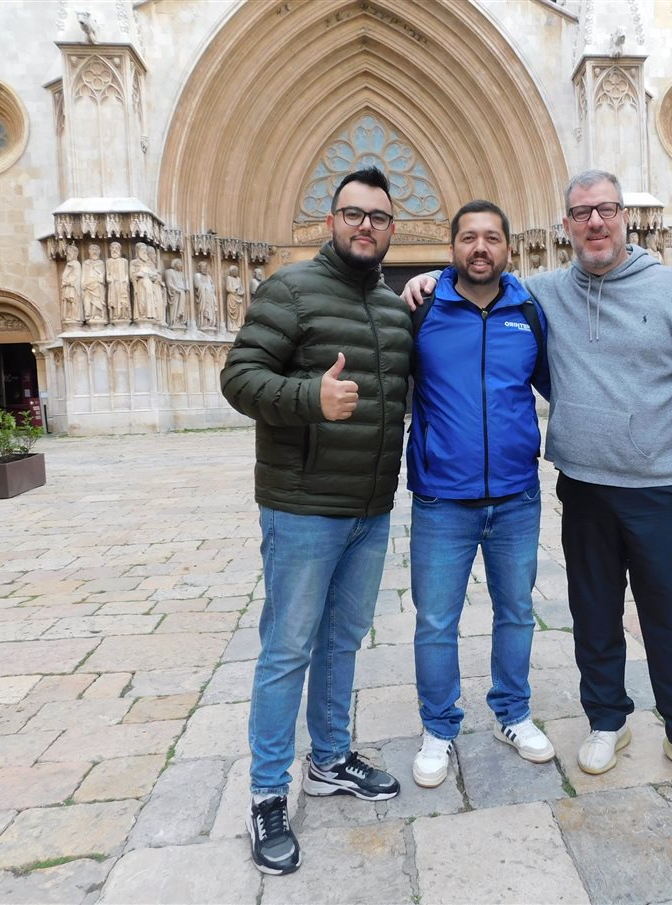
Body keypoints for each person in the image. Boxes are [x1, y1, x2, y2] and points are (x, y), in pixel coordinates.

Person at [403, 170, 672, 796]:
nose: (595, 223)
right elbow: (480, 286)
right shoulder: (541, 295)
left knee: (670, 614)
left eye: (606, 210)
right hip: (580, 485)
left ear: (624, 217)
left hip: (659, 487)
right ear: (564, 227)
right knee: (593, 614)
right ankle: (608, 721)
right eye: (581, 213)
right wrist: (425, 280)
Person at [220, 167, 411, 876]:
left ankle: (329, 757)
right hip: (302, 508)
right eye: (353, 213)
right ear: (330, 221)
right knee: (287, 649)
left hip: (370, 509)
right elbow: (239, 377)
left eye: (380, 217)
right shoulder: (290, 290)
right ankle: (269, 791)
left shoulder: (394, 309)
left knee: (342, 639)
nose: (366, 225)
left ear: (394, 229)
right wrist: (309, 397)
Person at [408, 200, 554, 789]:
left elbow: (556, 383)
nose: (480, 248)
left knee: (516, 611)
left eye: (492, 237)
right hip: (443, 499)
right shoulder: (420, 311)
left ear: (508, 250)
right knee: (436, 621)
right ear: (451, 250)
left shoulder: (529, 310)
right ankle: (439, 727)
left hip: (517, 498)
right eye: (468, 237)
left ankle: (512, 715)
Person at [82, 243, 107, 325]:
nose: (94, 252)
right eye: (92, 250)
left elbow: (102, 275)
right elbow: (83, 275)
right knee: (88, 302)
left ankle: (98, 315)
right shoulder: (85, 263)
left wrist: (97, 279)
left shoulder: (100, 263)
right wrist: (83, 284)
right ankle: (89, 316)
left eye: (96, 250)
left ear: (99, 252)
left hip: (97, 285)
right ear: (89, 251)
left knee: (98, 301)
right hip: (88, 286)